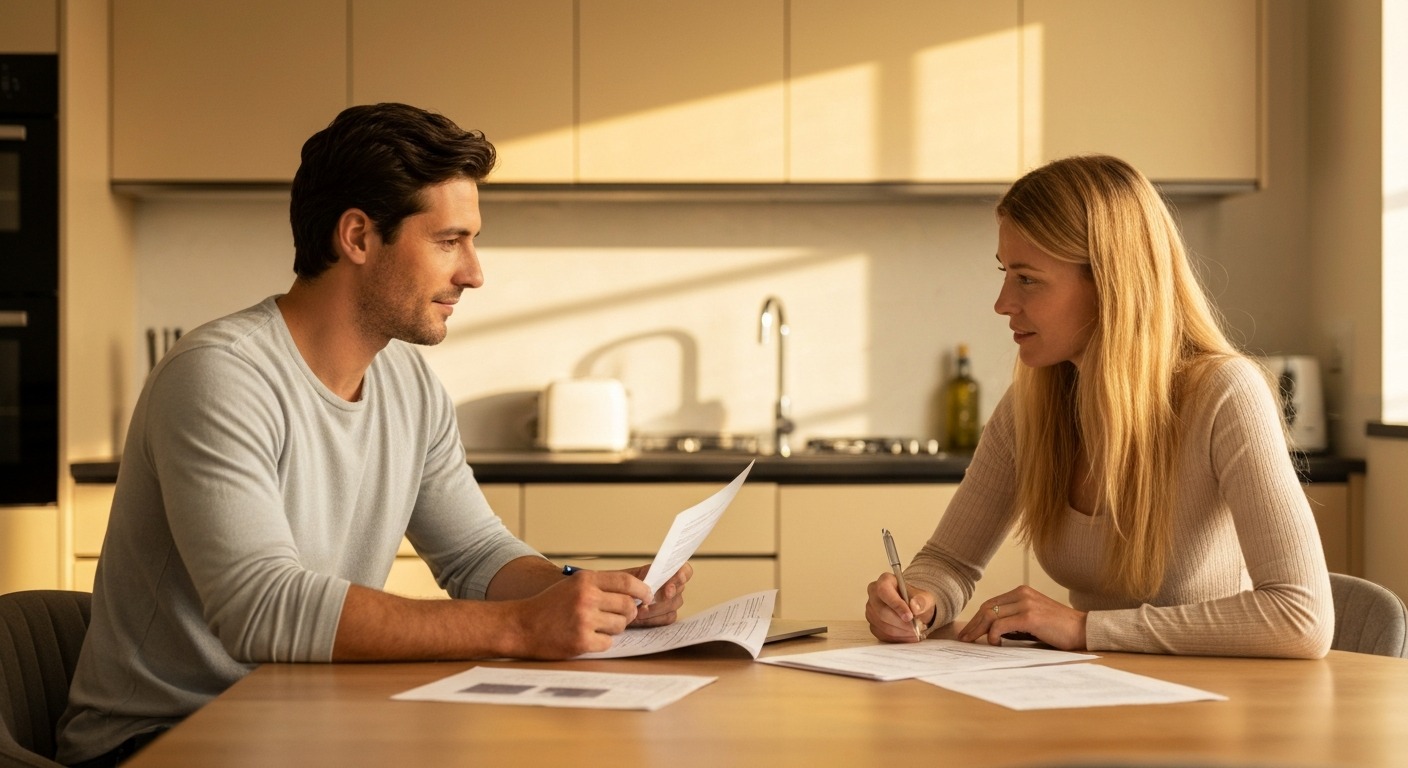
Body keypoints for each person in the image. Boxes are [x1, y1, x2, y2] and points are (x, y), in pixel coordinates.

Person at [56, 103, 693, 766]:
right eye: (449, 241)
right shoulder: (220, 376)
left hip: (294, 724)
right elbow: (260, 609)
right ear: (358, 237)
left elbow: (476, 554)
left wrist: (585, 593)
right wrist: (521, 627)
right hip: (160, 741)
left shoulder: (409, 386)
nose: (474, 272)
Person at [866, 154, 1333, 659]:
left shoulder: (1225, 395)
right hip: (1090, 693)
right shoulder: (1033, 404)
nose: (1002, 302)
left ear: (1110, 283)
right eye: (1005, 273)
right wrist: (919, 598)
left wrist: (1085, 629)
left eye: (1027, 278)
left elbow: (1300, 616)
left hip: (1209, 710)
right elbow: (950, 561)